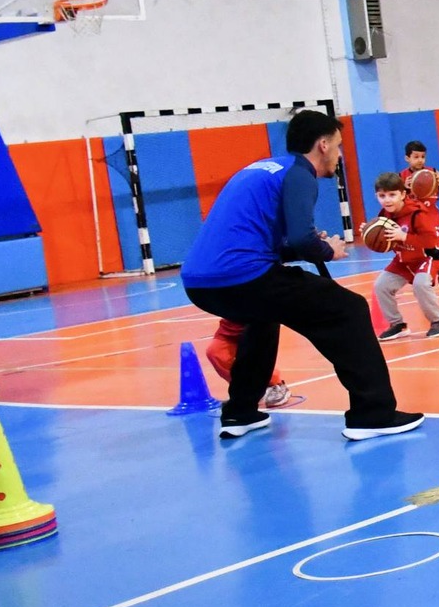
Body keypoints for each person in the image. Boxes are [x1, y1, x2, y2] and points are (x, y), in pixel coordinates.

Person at [179, 108, 420, 441]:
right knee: (348, 309)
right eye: (337, 145)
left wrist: (308, 246)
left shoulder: (263, 169)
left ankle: (240, 413)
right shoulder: (300, 174)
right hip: (243, 276)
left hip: (200, 282)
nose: (339, 155)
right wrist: (328, 250)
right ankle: (373, 414)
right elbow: (302, 240)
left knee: (262, 318)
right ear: (323, 144)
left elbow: (275, 244)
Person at [369, 173, 439, 341]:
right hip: (404, 259)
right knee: (381, 286)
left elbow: (431, 241)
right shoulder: (384, 214)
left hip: (427, 256)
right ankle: (397, 325)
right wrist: (369, 233)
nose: (387, 200)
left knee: (421, 284)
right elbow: (386, 242)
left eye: (392, 195)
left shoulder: (417, 213)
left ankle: (438, 322)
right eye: (382, 196)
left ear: (403, 194)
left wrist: (404, 236)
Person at [400, 141, 439, 287]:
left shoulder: (432, 172)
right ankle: (425, 276)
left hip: (431, 215)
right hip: (414, 217)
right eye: (416, 157)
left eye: (423, 157)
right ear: (407, 158)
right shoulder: (402, 177)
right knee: (418, 248)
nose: (420, 160)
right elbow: (396, 196)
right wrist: (404, 188)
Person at [205, 320, 295, 410]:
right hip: (231, 322)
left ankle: (276, 385)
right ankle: (245, 390)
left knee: (253, 353)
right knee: (215, 352)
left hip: (254, 321)